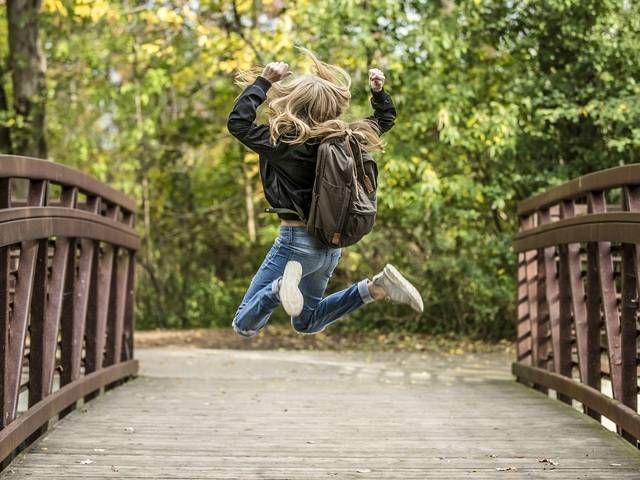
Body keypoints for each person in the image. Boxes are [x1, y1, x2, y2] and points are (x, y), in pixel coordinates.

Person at [227, 48, 423, 338]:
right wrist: (378, 94)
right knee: (307, 321)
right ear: (330, 107)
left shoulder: (283, 142)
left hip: (295, 244)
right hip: (330, 246)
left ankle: (280, 288)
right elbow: (385, 119)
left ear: (296, 102)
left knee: (244, 325)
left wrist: (264, 81)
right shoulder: (347, 138)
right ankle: (376, 287)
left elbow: (238, 123)